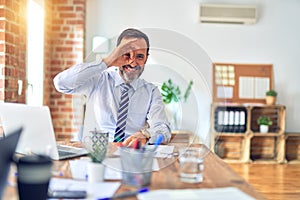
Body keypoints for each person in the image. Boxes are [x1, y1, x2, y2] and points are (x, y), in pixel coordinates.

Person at [53, 28, 171, 147]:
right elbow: (61, 84)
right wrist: (107, 62)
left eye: (140, 56)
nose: (133, 62)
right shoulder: (99, 79)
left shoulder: (151, 92)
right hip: (96, 152)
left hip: (131, 154)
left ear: (146, 58)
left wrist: (146, 134)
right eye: (127, 54)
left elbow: (163, 129)